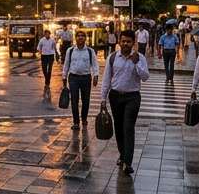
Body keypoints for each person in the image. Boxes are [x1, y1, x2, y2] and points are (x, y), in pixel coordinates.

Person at [100, 29, 148, 175]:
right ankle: (122, 155)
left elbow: (145, 77)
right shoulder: (113, 57)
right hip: (115, 96)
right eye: (123, 41)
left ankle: (128, 162)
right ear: (119, 42)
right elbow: (107, 78)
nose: (125, 44)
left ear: (133, 42)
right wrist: (103, 98)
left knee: (128, 127)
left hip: (132, 97)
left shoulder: (140, 58)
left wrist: (136, 63)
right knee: (119, 128)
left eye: (128, 41)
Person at [61, 31, 99, 129]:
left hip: (86, 78)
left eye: (82, 36)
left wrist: (96, 75)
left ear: (85, 38)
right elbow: (66, 65)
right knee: (74, 100)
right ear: (75, 38)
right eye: (78, 36)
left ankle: (84, 119)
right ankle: (76, 122)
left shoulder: (90, 51)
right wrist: (64, 77)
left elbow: (95, 64)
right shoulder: (70, 50)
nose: (80, 37)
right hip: (73, 78)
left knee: (86, 100)